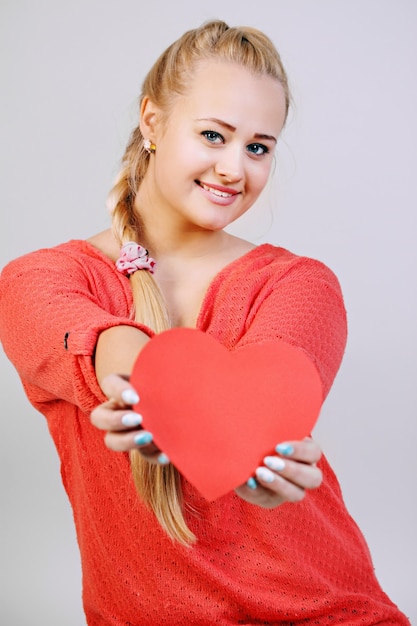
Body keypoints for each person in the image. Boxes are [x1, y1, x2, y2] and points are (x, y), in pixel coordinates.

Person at [0, 19, 410, 626]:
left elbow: (275, 396)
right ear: (152, 122)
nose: (233, 169)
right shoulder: (37, 280)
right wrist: (140, 385)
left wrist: (259, 467)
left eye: (258, 147)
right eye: (214, 135)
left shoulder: (298, 285)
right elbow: (98, 339)